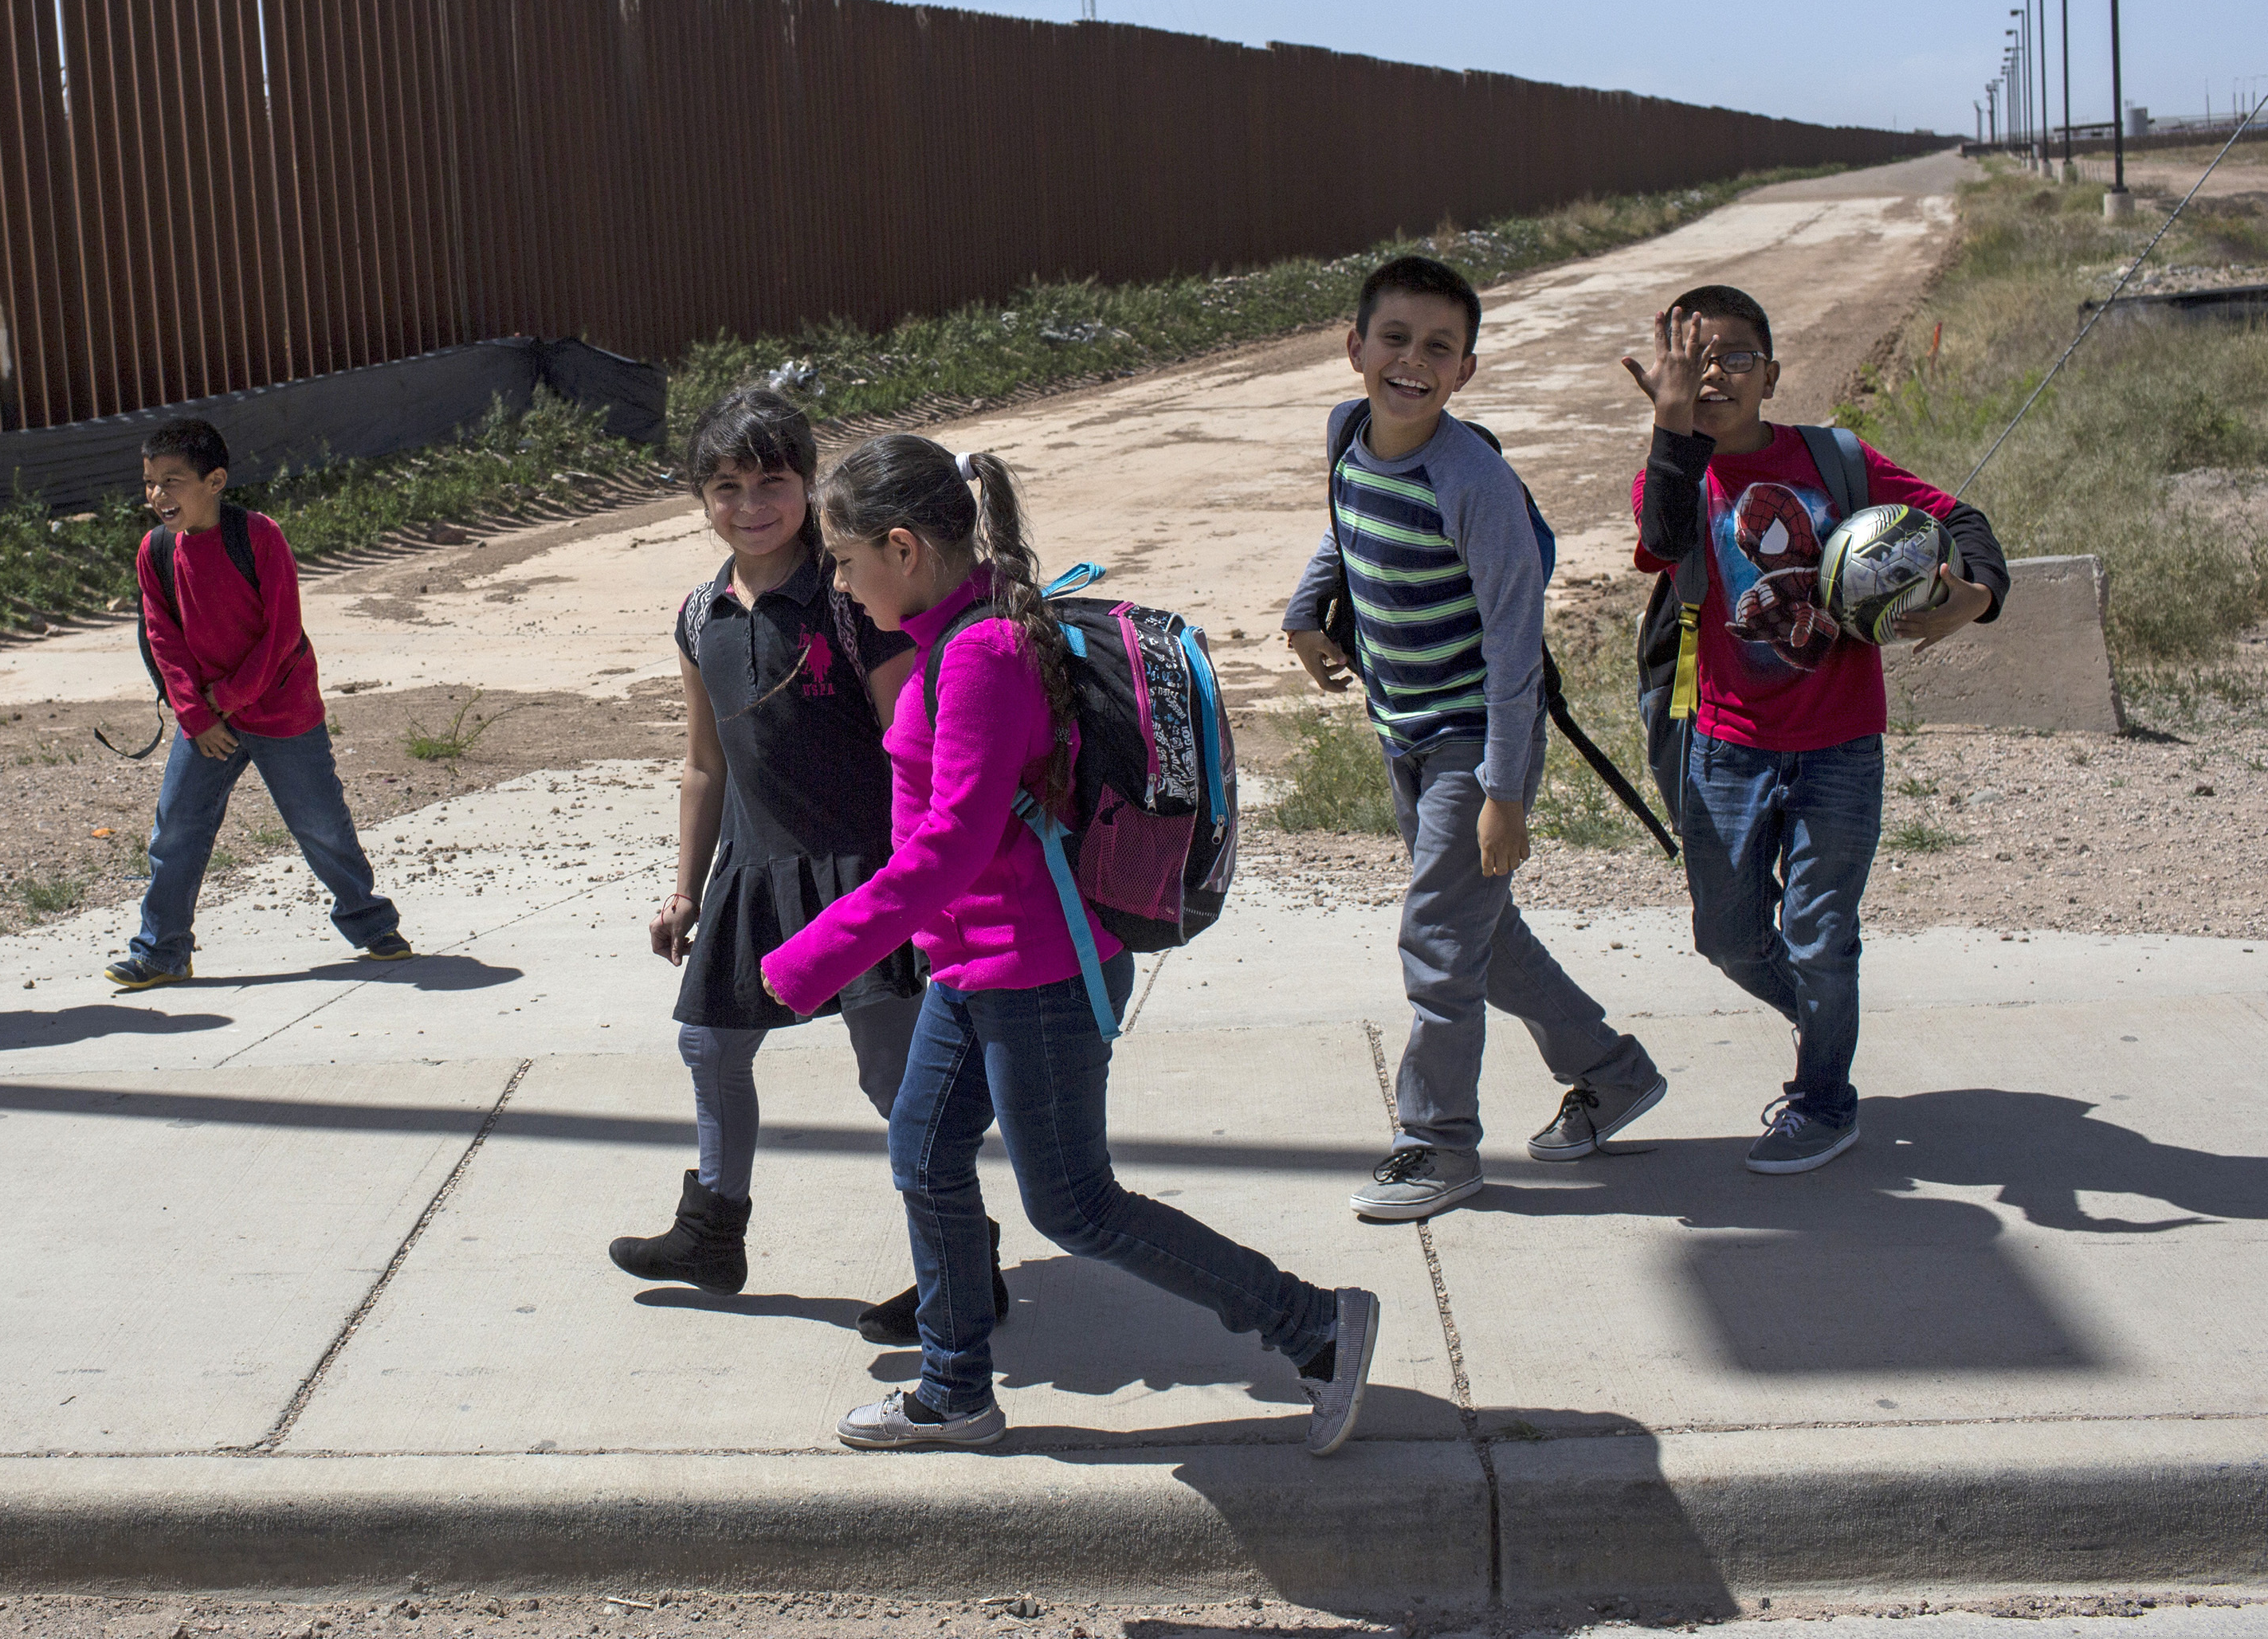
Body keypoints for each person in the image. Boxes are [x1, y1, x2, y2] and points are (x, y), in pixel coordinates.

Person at [763, 434, 1379, 1457]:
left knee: (1077, 1208)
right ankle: (955, 1389)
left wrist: (807, 962)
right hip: (975, 965)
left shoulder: (980, 656)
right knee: (923, 1157)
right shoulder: (966, 626)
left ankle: (1312, 1324)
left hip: (1036, 972)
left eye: (842, 557)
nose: (837, 579)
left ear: (904, 547)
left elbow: (946, 853)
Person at [611, 390, 1010, 1337]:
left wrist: (917, 882)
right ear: (699, 498)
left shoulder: (849, 597)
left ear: (807, 482)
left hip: (860, 873)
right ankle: (713, 1230)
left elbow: (907, 741)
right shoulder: (698, 614)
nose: (751, 504)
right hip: (752, 873)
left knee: (892, 1082)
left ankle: (967, 1264)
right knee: (710, 1044)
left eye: (772, 483)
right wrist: (684, 886)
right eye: (727, 486)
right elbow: (703, 762)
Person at [1284, 255, 1663, 1219]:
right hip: (1400, 724)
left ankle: (1437, 1144)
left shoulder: (1473, 481)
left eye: (1439, 348)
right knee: (1481, 940)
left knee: (1439, 938)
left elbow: (1513, 648)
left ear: (1466, 371)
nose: (1413, 361)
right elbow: (1343, 524)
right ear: (1354, 347)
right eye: (1396, 339)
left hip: (1474, 736)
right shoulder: (1347, 433)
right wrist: (1303, 614)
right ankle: (1611, 1073)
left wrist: (1502, 791)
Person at [1625, 286, 2008, 1174]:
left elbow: (1961, 520)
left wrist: (1973, 597)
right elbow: (1660, 537)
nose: (1716, 372)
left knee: (1819, 933)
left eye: (1736, 357)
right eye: (1696, 357)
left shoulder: (1834, 458)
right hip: (1723, 746)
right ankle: (1824, 1014)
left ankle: (1824, 1099)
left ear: (1772, 375)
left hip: (1840, 745)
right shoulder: (1671, 472)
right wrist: (1673, 429)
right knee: (1725, 937)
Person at [103, 417, 410, 988]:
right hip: (207, 724)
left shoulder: (259, 536)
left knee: (320, 823)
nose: (157, 495)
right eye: (149, 482)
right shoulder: (156, 551)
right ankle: (161, 950)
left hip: (280, 713)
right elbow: (161, 637)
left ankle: (370, 923)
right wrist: (196, 714)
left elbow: (282, 634)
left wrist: (226, 699)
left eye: (173, 481)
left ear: (215, 480)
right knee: (177, 830)